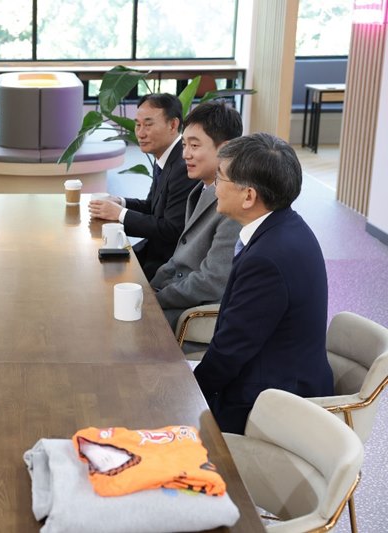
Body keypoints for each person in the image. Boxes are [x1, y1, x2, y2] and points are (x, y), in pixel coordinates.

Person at [193, 133, 333, 434]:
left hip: (272, 405)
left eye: (220, 177)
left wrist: (190, 393)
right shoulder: (287, 226)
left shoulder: (267, 261)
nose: (215, 186)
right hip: (276, 375)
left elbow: (230, 351)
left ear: (248, 196)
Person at [150, 101, 243, 330]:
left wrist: (155, 299)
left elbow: (212, 281)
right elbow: (179, 259)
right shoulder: (200, 189)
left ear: (226, 149)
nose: (185, 155)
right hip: (176, 294)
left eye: (194, 145)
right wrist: (149, 288)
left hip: (193, 312)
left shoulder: (233, 205)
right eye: (184, 145)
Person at [89, 93, 195, 279]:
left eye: (148, 125)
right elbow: (151, 207)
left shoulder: (184, 165)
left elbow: (171, 229)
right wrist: (120, 202)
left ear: (173, 125)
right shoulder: (164, 156)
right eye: (138, 125)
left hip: (167, 265)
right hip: (152, 251)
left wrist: (119, 214)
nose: (140, 133)